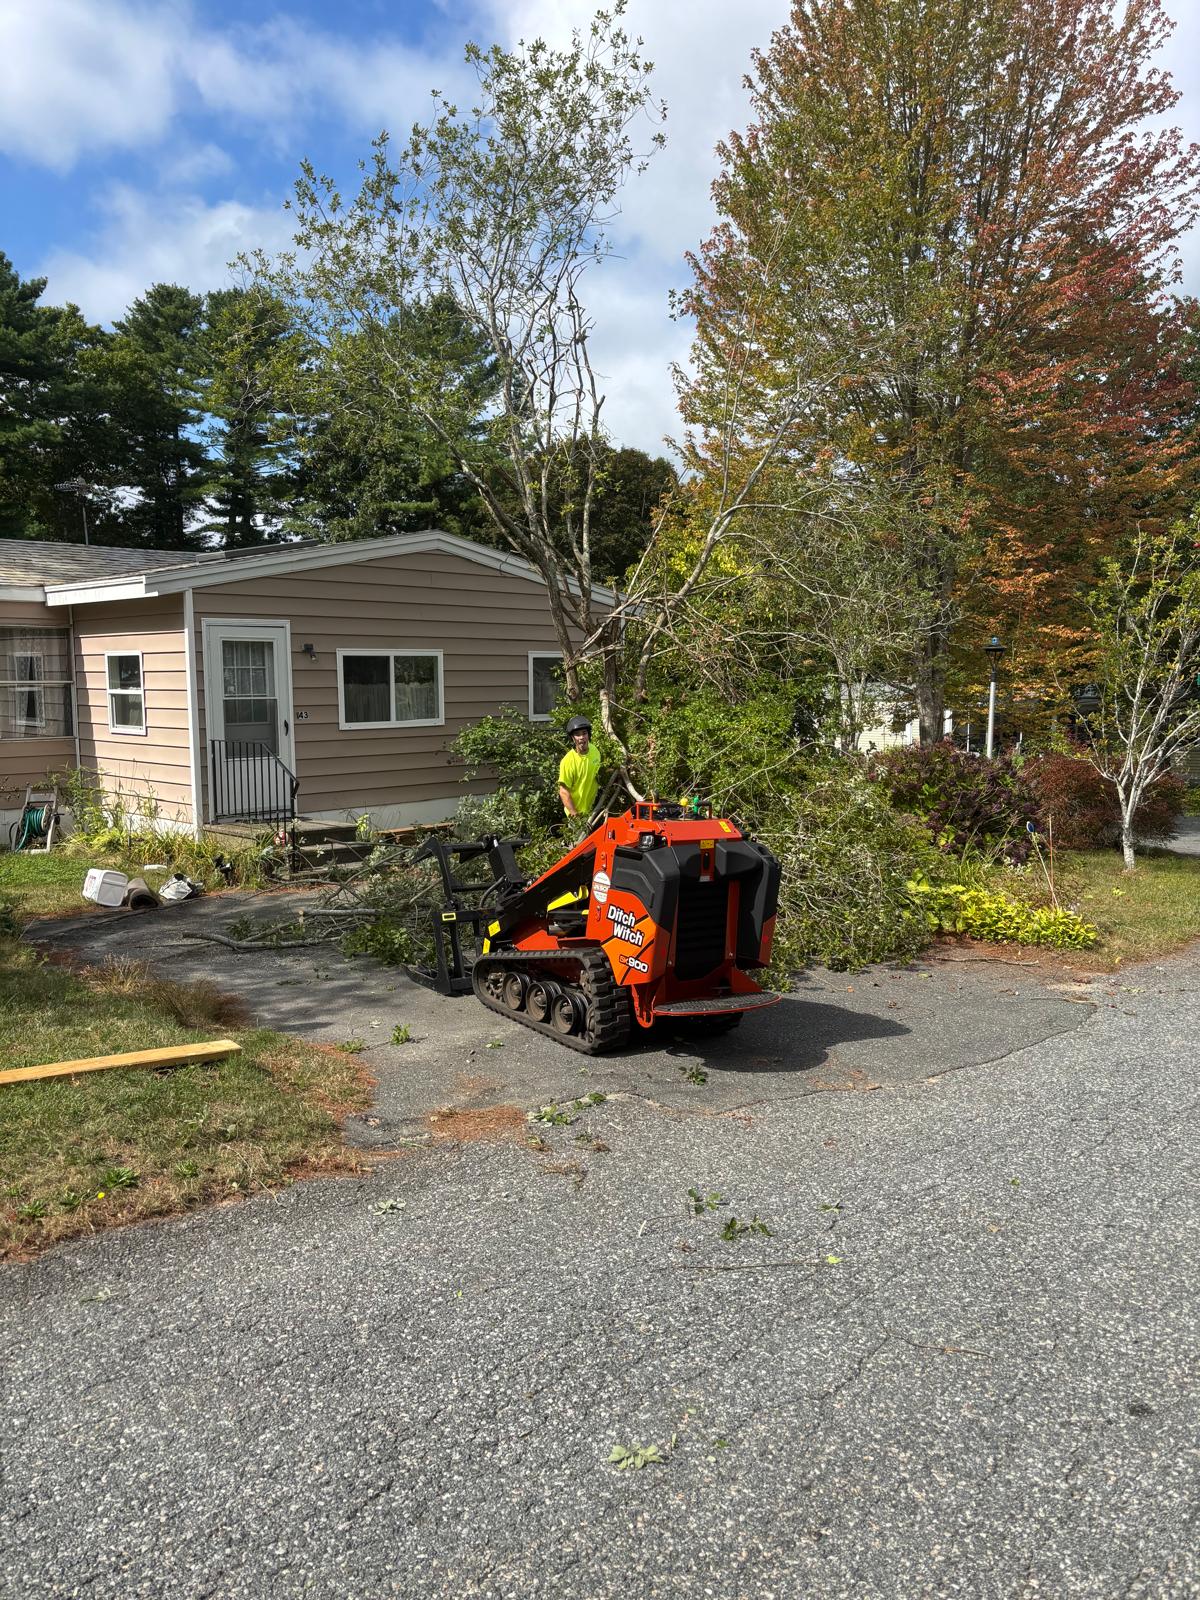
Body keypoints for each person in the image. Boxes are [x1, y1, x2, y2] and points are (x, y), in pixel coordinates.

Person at [558, 715, 601, 820]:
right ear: (573, 738)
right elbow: (563, 792)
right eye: (577, 735)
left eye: (584, 733)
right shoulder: (568, 761)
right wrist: (575, 815)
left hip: (593, 811)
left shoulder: (595, 751)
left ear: (588, 735)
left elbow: (598, 773)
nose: (582, 737)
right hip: (576, 814)